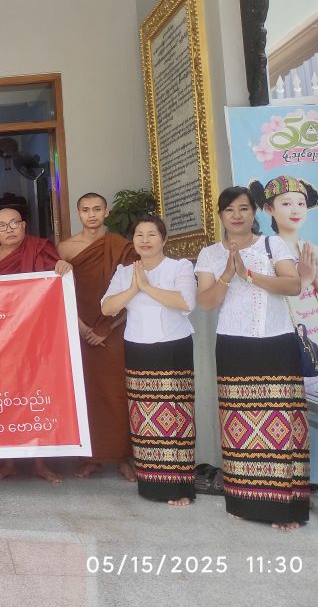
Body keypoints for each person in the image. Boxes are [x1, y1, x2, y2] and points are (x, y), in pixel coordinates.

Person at [195, 186, 310, 530]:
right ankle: (245, 502)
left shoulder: (272, 245)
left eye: (244, 209)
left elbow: (293, 286)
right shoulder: (209, 254)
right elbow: (206, 302)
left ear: (254, 212)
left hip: (276, 343)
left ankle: (285, 509)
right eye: (229, 209)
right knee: (239, 427)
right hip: (234, 344)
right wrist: (230, 273)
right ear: (220, 215)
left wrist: (249, 273)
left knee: (282, 424)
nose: (237, 215)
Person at [101, 215, 196, 505]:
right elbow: (107, 308)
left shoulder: (180, 267)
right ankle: (152, 485)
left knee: (178, 417)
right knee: (146, 420)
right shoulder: (125, 272)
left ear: (164, 239)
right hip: (138, 347)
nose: (145, 240)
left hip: (173, 347)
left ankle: (180, 488)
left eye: (152, 234)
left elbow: (185, 302)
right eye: (139, 234)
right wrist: (133, 287)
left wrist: (147, 287)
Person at [0, 207, 72, 484]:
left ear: (24, 225)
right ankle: (9, 461)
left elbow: (57, 281)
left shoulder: (41, 249)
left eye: (13, 223)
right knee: (6, 399)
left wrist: (63, 268)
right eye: (2, 226)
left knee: (39, 398)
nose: (9, 229)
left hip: (37, 337)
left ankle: (41, 463)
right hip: (3, 342)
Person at [57, 192, 138, 480]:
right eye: (85, 210)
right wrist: (83, 329)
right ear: (78, 214)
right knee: (85, 393)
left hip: (115, 329)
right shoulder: (65, 249)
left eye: (96, 209)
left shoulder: (122, 247)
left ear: (106, 212)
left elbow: (134, 289)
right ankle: (91, 457)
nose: (91, 214)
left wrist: (109, 327)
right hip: (80, 328)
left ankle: (123, 456)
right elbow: (60, 292)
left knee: (118, 392)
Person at [251, 175, 318, 367]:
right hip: (281, 336)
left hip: (316, 337)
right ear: (268, 209)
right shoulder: (263, 250)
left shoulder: (313, 251)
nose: (296, 209)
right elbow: (265, 298)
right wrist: (303, 280)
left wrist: (317, 280)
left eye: (301, 203)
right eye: (287, 203)